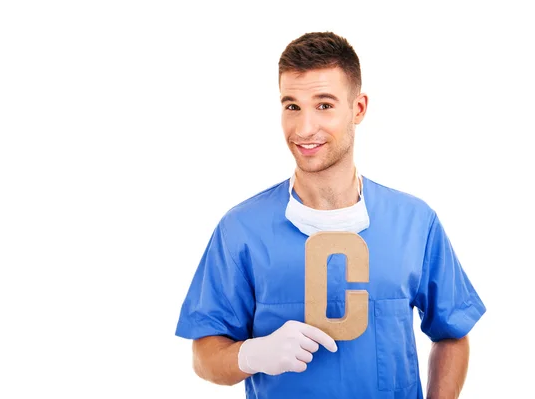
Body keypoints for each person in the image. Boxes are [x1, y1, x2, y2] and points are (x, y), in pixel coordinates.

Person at [174, 31, 486, 399]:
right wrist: (251, 354)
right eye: (292, 106)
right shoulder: (241, 230)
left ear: (358, 109)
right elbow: (204, 357)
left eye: (324, 105)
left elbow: (452, 333)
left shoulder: (415, 222)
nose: (304, 129)